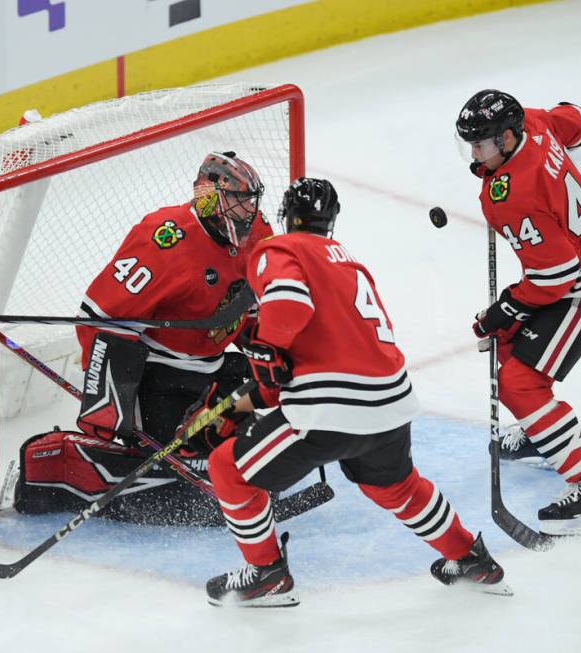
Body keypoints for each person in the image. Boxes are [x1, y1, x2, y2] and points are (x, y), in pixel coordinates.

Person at [198, 177, 508, 607]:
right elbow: (316, 357)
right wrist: (249, 400)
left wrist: (266, 352)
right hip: (391, 400)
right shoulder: (350, 264)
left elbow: (288, 304)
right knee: (396, 487)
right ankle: (471, 560)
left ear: (288, 217)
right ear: (332, 222)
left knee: (226, 468)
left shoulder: (279, 249)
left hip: (329, 409)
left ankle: (267, 574)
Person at [455, 90, 581, 537]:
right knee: (507, 348)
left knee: (520, 382)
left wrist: (506, 308)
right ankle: (545, 435)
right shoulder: (533, 123)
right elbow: (577, 120)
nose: (474, 154)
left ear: (506, 137)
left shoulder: (511, 196)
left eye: (480, 143)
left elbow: (557, 275)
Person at [63, 151, 272, 524]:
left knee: (247, 440)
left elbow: (253, 304)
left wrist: (271, 348)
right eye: (236, 202)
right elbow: (100, 317)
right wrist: (111, 406)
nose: (247, 213)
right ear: (208, 197)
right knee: (190, 457)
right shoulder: (165, 239)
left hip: (216, 366)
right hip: (159, 374)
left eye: (250, 203)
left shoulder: (257, 234)